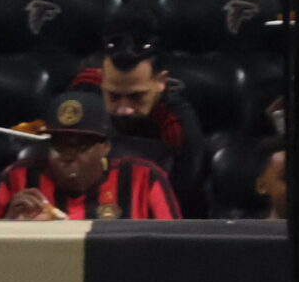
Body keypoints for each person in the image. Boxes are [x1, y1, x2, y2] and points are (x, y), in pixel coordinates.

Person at [74, 15, 207, 215]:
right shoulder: (83, 89)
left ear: (161, 82)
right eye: (113, 96)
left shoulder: (177, 126)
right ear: (101, 79)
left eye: (136, 97)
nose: (123, 109)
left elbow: (184, 201)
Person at [0, 91, 181, 220]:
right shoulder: (19, 177)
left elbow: (175, 247)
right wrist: (8, 225)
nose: (67, 156)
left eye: (81, 146)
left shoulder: (144, 178)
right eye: (59, 146)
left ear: (105, 147)